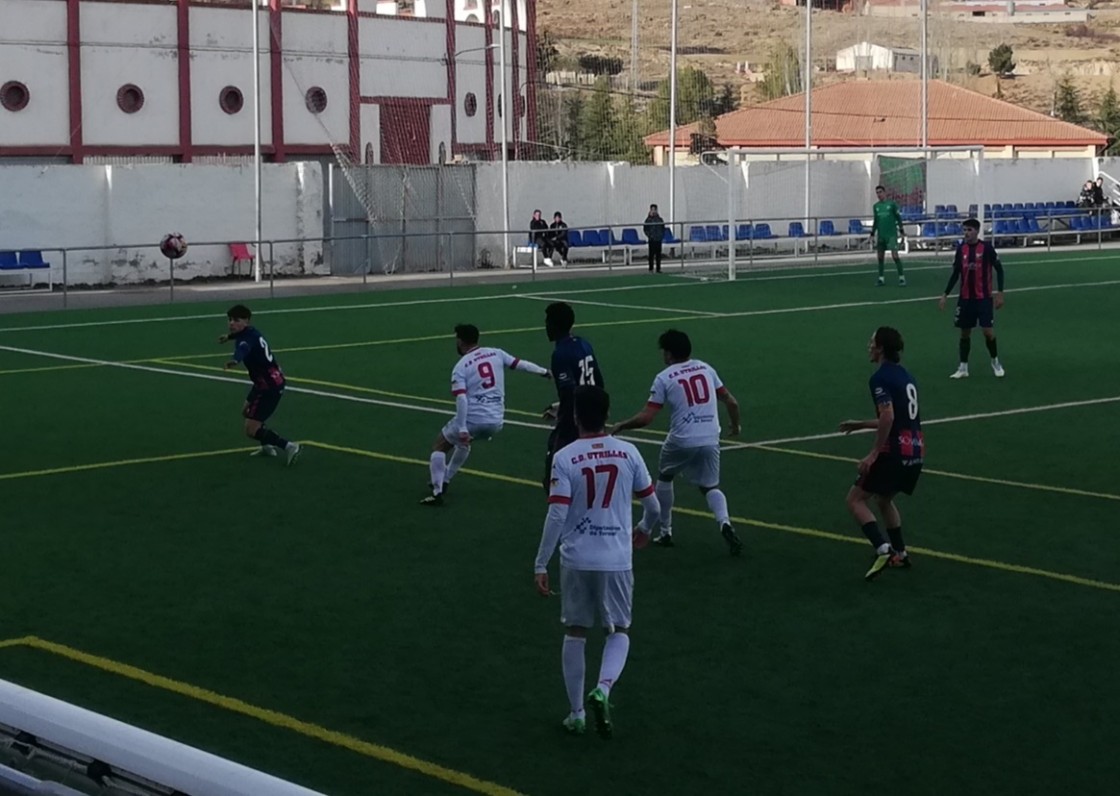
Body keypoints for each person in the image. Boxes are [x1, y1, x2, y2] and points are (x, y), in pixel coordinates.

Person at [534, 385, 660, 738]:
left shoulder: (565, 456)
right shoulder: (629, 452)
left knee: (575, 632)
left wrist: (540, 563)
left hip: (576, 558)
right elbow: (653, 505)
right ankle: (603, 687)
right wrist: (645, 529)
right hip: (617, 558)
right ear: (607, 415)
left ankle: (575, 714)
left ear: (575, 417)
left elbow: (556, 515)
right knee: (617, 630)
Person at [609, 329, 743, 556]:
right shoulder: (706, 368)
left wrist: (622, 424)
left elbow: (647, 417)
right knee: (710, 486)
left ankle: (666, 531)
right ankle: (725, 524)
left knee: (665, 476)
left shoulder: (665, 377)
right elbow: (731, 401)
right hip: (711, 437)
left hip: (681, 440)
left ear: (669, 353)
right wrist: (735, 425)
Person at [421, 324, 549, 505]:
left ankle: (437, 491)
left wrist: (463, 427)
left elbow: (462, 399)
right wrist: (544, 372)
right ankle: (446, 479)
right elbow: (521, 364)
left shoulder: (461, 366)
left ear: (460, 340)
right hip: (496, 420)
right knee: (465, 443)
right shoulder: (496, 353)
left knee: (440, 446)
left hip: (474, 418)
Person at [838, 326, 923, 581]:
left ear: (881, 348)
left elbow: (888, 415)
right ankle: (900, 553)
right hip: (915, 448)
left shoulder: (879, 378)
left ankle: (882, 548)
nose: (869, 346)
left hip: (894, 450)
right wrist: (861, 423)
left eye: (872, 342)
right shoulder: (907, 377)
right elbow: (899, 418)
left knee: (855, 499)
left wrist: (873, 454)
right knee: (884, 499)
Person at [218, 304, 301, 465]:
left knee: (251, 429)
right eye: (229, 320)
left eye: (236, 320)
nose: (231, 323)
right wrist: (228, 337)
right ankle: (266, 445)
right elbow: (243, 338)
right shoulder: (251, 332)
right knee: (247, 411)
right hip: (263, 383)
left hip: (270, 387)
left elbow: (243, 348)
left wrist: (235, 360)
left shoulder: (246, 340)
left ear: (247, 321)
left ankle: (289, 446)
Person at [543, 302, 606, 489]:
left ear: (554, 325)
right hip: (593, 415)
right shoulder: (584, 344)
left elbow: (568, 392)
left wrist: (562, 409)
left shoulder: (560, 354)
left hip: (573, 421)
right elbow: (598, 381)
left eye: (547, 322)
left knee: (553, 473)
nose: (545, 327)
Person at [938, 217, 1006, 379]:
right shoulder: (961, 250)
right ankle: (963, 367)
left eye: (969, 230)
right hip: (966, 299)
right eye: (964, 230)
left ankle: (995, 361)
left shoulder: (987, 248)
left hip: (983, 298)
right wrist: (945, 295)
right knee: (964, 333)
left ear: (976, 231)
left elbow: (1000, 270)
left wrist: (1000, 293)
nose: (966, 233)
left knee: (988, 332)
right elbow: (956, 274)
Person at [869, 185, 906, 287]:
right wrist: (872, 233)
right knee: (880, 257)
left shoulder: (892, 204)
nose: (879, 194)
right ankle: (881, 279)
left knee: (895, 256)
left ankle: (901, 278)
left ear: (885, 192)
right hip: (881, 235)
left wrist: (902, 230)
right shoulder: (876, 207)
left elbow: (898, 218)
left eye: (880, 192)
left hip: (891, 235)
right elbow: (876, 221)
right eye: (877, 192)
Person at [643, 204, 665, 273]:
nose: (653, 211)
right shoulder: (648, 220)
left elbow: (663, 228)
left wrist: (661, 236)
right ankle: (651, 268)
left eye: (655, 209)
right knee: (651, 255)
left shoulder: (660, 219)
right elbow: (645, 229)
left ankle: (658, 269)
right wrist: (649, 236)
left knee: (658, 255)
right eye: (652, 209)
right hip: (652, 239)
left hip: (658, 239)